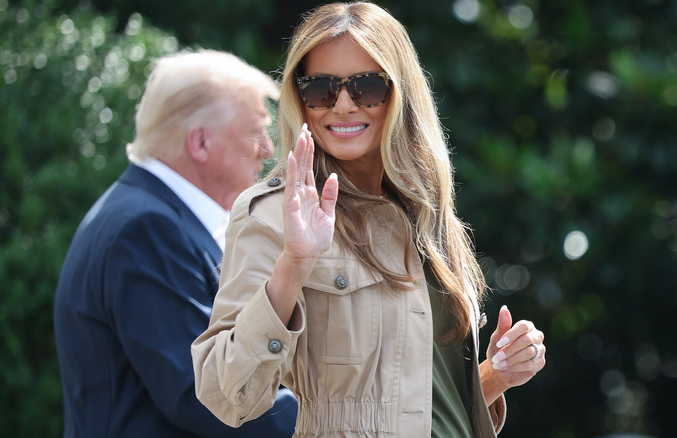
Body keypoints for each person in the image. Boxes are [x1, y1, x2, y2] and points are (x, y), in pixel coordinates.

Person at [191, 2, 546, 437]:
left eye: (367, 87)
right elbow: (226, 395)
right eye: (320, 89)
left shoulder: (427, 215)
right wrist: (293, 264)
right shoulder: (278, 214)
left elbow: (419, 405)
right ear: (300, 99)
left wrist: (497, 374)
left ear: (400, 94)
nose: (342, 105)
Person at [53, 50, 298, 437]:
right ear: (200, 142)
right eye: (255, 131)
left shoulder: (147, 218)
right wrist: (333, 420)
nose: (267, 149)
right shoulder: (146, 230)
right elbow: (207, 396)